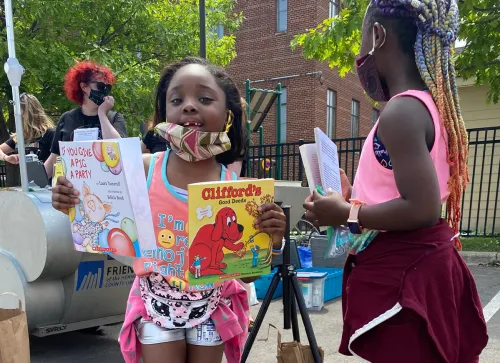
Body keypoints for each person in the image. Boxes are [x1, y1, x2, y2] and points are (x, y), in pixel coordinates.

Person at [51, 57, 287, 363]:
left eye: (204, 98)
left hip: (212, 308)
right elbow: (97, 212)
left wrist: (273, 237)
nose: (189, 106)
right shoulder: (141, 171)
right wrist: (69, 199)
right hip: (154, 308)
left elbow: (249, 274)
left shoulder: (238, 191)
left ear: (228, 114)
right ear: (164, 112)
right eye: (177, 99)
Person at [303, 1, 488, 362]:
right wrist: (351, 197)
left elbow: (420, 207)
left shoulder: (401, 111)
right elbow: (402, 190)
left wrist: (348, 213)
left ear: (377, 35)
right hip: (419, 265)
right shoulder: (427, 106)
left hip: (406, 273)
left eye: (361, 40)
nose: (359, 54)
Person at [45, 61, 127, 177]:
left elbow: (120, 150)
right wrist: (33, 180)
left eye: (107, 87)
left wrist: (102, 114)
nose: (105, 91)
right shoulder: (67, 118)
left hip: (107, 185)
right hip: (74, 188)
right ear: (84, 87)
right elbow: (55, 158)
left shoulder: (114, 118)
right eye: (100, 86)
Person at [0, 93, 55, 170]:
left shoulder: (50, 134)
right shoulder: (20, 137)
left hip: (48, 180)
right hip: (26, 181)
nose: (16, 117)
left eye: (18, 113)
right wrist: (6, 158)